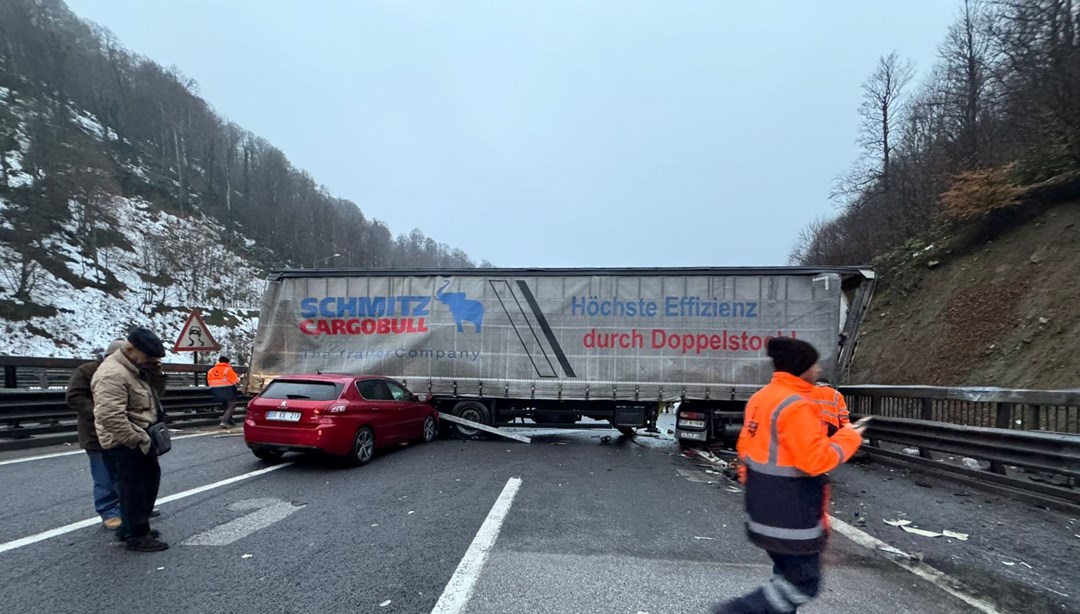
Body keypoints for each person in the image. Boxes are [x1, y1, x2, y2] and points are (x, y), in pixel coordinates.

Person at [712, 337, 866, 614]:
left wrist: (759, 489)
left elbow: (746, 452)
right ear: (802, 367)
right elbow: (815, 461)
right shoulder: (797, 406)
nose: (818, 370)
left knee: (783, 578)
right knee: (802, 585)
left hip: (762, 506)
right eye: (814, 364)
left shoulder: (762, 398)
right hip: (792, 515)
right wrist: (849, 437)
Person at [92, 327, 169, 552]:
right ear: (130, 349)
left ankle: (132, 527)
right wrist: (138, 440)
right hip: (127, 442)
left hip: (140, 437)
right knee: (135, 488)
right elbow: (109, 416)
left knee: (144, 485)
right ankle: (137, 536)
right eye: (149, 356)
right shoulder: (113, 374)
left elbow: (157, 395)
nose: (152, 360)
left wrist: (156, 372)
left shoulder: (136, 369)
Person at [66, 339, 126, 529]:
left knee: (126, 473)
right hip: (95, 433)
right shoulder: (86, 371)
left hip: (122, 432)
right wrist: (101, 412)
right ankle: (109, 511)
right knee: (104, 475)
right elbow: (75, 397)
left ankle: (129, 507)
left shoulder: (128, 371)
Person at [206, 355, 240, 428]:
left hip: (215, 390)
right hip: (227, 389)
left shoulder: (211, 370)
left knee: (225, 405)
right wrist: (239, 379)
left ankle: (230, 421)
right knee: (231, 405)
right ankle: (224, 421)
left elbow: (209, 381)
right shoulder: (228, 369)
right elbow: (235, 381)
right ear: (228, 362)